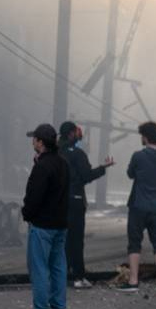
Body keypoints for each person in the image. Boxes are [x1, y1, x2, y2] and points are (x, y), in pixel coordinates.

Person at [21, 123, 70, 309]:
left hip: (42, 225)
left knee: (39, 267)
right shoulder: (63, 163)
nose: (33, 141)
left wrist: (27, 213)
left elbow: (34, 196)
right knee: (58, 265)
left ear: (40, 142)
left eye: (35, 139)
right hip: (61, 223)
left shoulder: (42, 166)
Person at [60, 120, 113, 288]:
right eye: (77, 132)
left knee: (61, 239)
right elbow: (87, 176)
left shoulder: (55, 152)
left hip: (57, 201)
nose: (80, 135)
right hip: (75, 200)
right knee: (76, 239)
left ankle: (61, 272)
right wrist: (103, 168)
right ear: (71, 134)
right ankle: (78, 277)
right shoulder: (78, 154)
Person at [123, 121, 156, 292]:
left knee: (134, 243)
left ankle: (133, 281)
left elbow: (130, 174)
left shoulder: (138, 156)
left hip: (138, 206)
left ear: (145, 137)